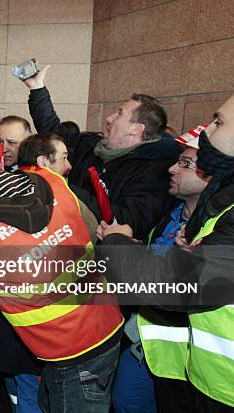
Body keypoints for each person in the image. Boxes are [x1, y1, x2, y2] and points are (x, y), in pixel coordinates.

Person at [0, 130, 123, 413]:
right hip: (106, 324)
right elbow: (90, 232)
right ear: (3, 162)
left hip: (63, 349)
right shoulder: (52, 181)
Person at [98, 95, 234, 411]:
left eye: (220, 121)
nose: (208, 131)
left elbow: (173, 286)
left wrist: (115, 243)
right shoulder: (215, 207)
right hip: (206, 380)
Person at [110, 132, 210, 413]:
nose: (172, 168)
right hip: (144, 340)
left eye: (186, 164)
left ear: (211, 176)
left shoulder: (217, 230)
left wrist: (117, 244)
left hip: (186, 358)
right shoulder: (170, 212)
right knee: (127, 402)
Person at [24, 66, 179, 239]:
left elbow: (123, 220)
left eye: (119, 114)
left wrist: (61, 186)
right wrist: (37, 89)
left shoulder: (156, 172)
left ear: (136, 129)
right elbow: (55, 132)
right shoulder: (92, 144)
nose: (109, 119)